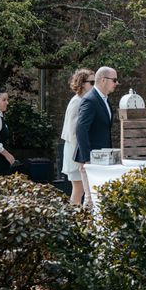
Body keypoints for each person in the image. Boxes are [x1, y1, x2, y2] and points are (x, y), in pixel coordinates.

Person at [75, 66, 119, 208]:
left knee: (98, 199)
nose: (116, 83)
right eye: (114, 80)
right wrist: (87, 158)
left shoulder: (104, 99)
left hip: (102, 158)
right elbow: (81, 129)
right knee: (90, 199)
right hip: (90, 159)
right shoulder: (90, 99)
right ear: (103, 80)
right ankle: (83, 228)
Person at [61, 68, 95, 205]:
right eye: (92, 82)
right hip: (75, 151)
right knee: (78, 190)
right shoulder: (77, 101)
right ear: (82, 83)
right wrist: (81, 156)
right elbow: (73, 131)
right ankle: (74, 221)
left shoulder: (82, 100)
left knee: (80, 190)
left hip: (76, 151)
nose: (94, 85)